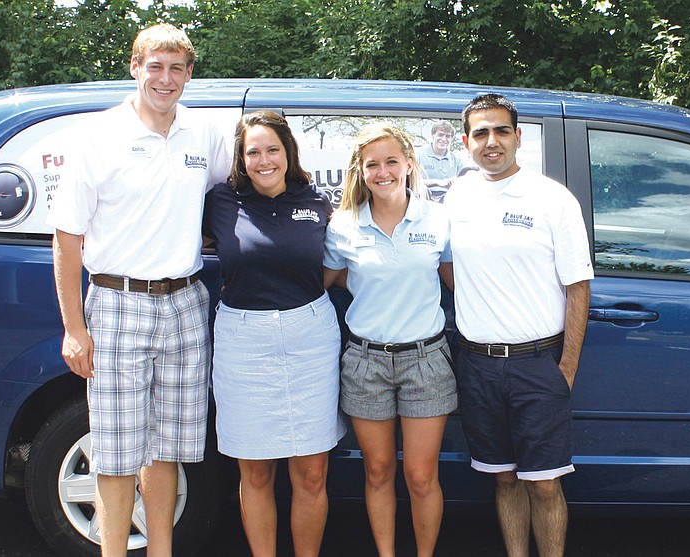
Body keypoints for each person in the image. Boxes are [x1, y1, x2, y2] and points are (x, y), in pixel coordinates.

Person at [47, 23, 231, 557]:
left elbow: (225, 203)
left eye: (177, 68)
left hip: (185, 302)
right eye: (156, 66)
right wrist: (74, 328)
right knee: (116, 450)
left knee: (168, 448)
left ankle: (160, 552)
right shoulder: (99, 135)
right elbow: (67, 236)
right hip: (116, 301)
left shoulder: (205, 136)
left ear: (189, 74)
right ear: (135, 68)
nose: (166, 79)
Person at [443, 93, 592, 557]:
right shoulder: (456, 196)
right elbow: (446, 267)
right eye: (481, 133)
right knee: (505, 481)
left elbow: (578, 286)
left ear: (518, 137)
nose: (492, 142)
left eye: (501, 131)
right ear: (466, 142)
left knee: (544, 486)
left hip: (537, 364)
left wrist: (565, 369)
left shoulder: (551, 199)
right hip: (478, 365)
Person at [203, 110, 345, 557]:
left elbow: (341, 266)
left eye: (272, 150)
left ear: (288, 152)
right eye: (253, 152)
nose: (264, 160)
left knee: (311, 474)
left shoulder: (319, 201)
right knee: (256, 473)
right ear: (241, 160)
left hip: (310, 338)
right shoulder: (220, 201)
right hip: (243, 342)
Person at [323, 122, 457, 557]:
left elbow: (459, 282)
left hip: (426, 359)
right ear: (360, 171)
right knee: (378, 471)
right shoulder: (343, 225)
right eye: (372, 164)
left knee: (420, 475)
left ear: (409, 165)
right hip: (366, 361)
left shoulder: (437, 219)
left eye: (392, 162)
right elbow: (325, 280)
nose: (383, 172)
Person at [417, 121, 466, 203]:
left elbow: (464, 181)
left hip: (449, 198)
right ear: (433, 135)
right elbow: (414, 181)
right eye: (440, 135)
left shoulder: (457, 160)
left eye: (447, 136)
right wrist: (439, 183)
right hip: (425, 197)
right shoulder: (419, 155)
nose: (444, 139)